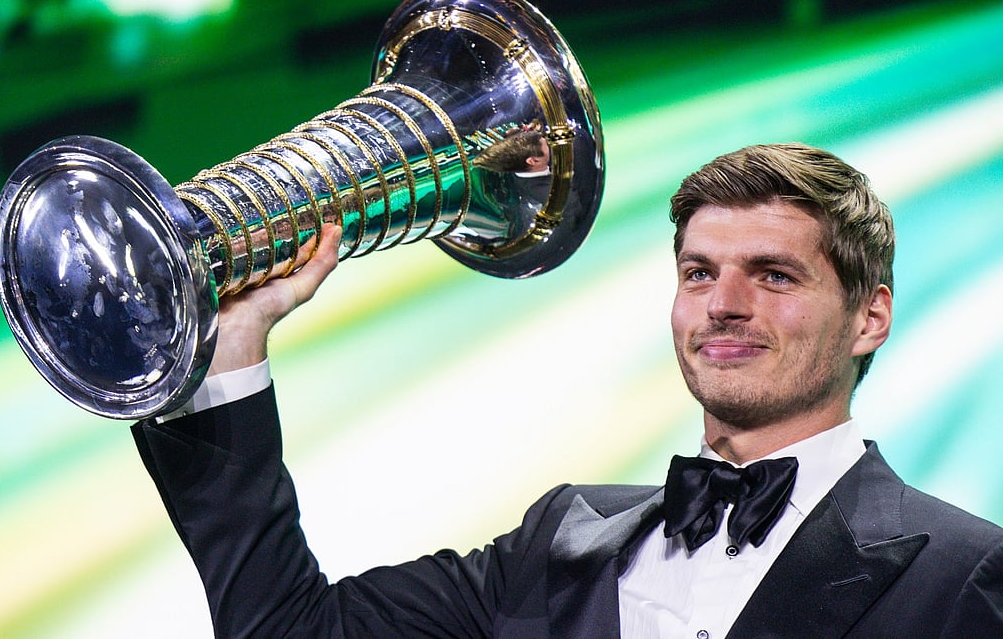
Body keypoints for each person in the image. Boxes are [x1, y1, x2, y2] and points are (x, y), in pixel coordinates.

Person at [132, 143, 1003, 637]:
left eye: (773, 275)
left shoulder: (965, 571)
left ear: (869, 317)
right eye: (699, 272)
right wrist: (233, 348)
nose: (723, 304)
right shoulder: (562, 535)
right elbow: (290, 630)